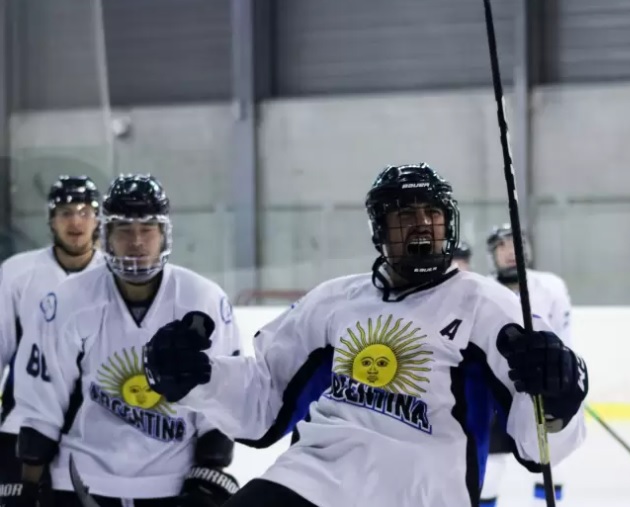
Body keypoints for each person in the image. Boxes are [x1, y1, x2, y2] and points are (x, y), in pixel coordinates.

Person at [143, 163, 589, 507]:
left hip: (422, 493)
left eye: (432, 212)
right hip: (312, 480)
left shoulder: (488, 305)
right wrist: (197, 378)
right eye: (406, 213)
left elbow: (540, 446)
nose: (423, 224)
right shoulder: (334, 300)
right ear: (380, 229)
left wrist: (558, 399)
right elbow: (265, 396)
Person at [15, 174, 240, 507]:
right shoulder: (68, 300)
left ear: (164, 235)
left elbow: (223, 398)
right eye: (124, 231)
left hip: (173, 483)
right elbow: (42, 402)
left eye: (147, 230)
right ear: (106, 236)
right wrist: (29, 486)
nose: (136, 241)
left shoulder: (203, 301)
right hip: (80, 480)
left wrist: (210, 470)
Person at [0, 176, 104, 503]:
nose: (75, 221)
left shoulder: (117, 276)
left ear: (98, 219)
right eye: (65, 212)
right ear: (51, 220)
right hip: (22, 423)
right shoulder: (17, 273)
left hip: (95, 433)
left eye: (85, 212)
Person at [481, 224, 573, 507]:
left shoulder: (551, 286)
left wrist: (564, 380)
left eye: (516, 244)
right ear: (492, 254)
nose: (510, 252)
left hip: (542, 389)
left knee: (549, 464)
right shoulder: (479, 289)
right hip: (495, 390)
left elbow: (563, 336)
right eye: (502, 246)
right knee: (491, 466)